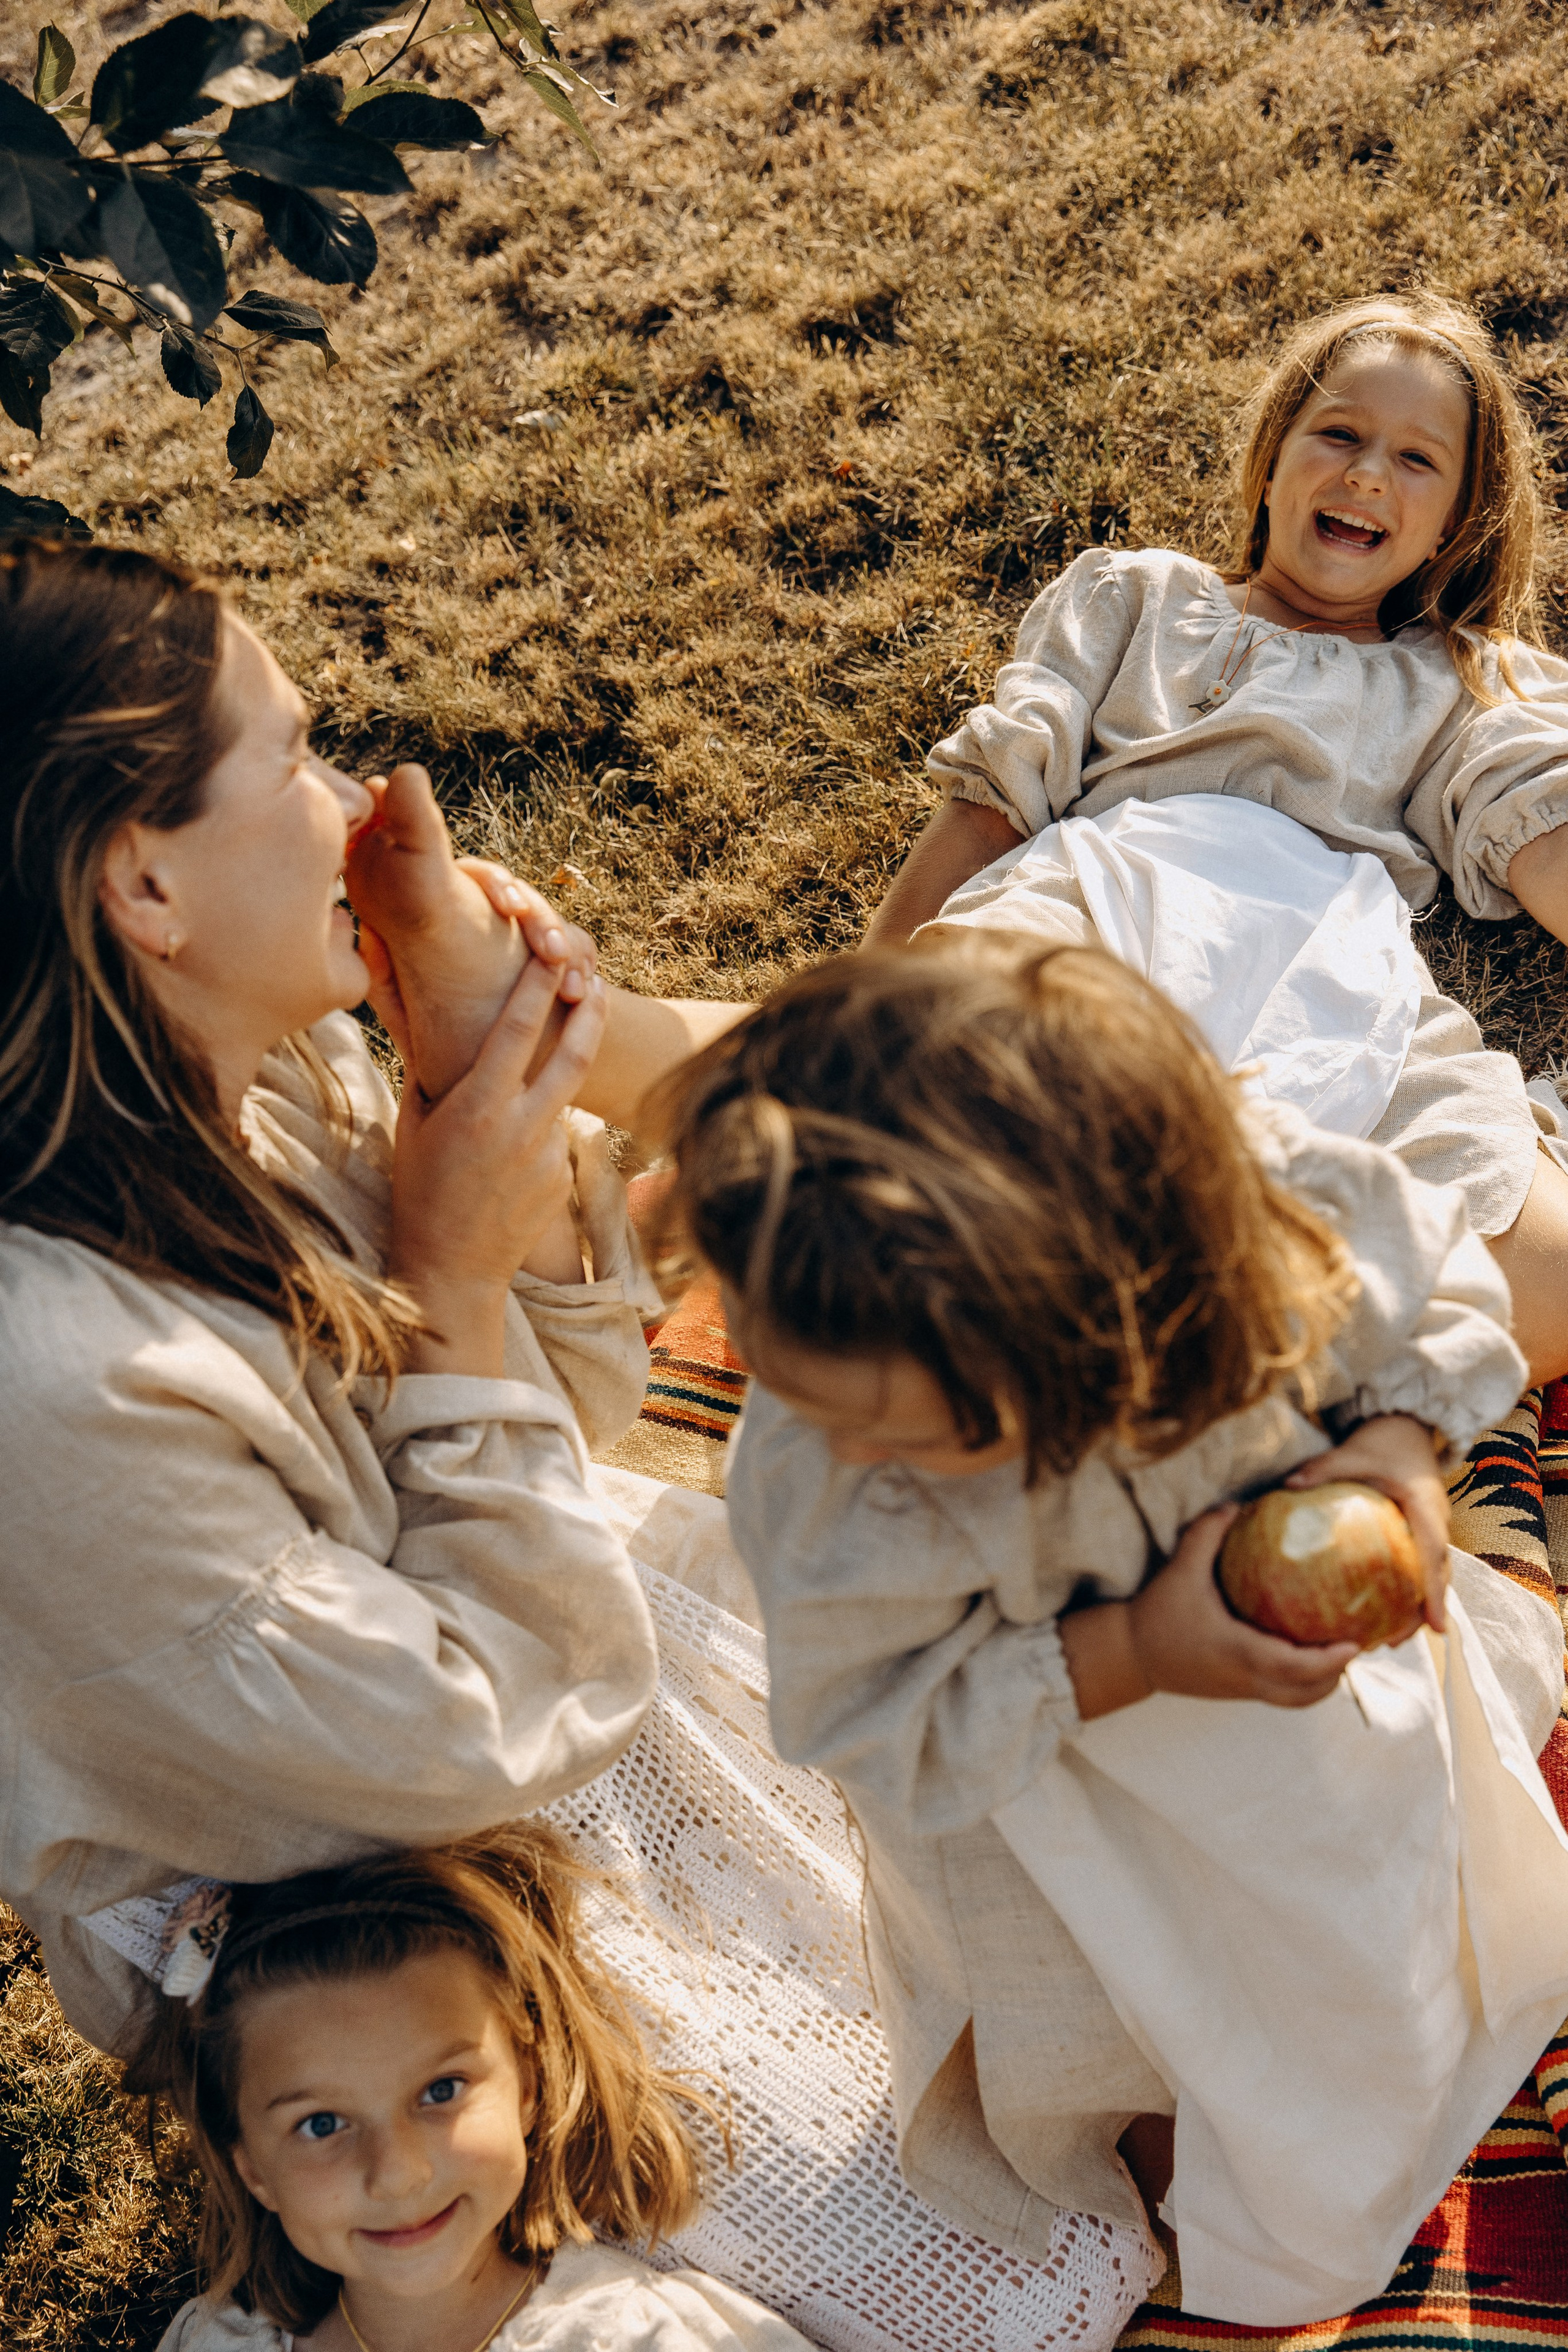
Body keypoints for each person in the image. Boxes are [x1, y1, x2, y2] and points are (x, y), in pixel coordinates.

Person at [0, 540, 1157, 2352]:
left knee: (1079, 1886)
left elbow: (574, 1408)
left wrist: (483, 1099)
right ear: (142, 879)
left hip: (518, 1651)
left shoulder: (257, 1070)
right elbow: (465, 1726)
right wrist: (451, 1278)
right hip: (356, 1888)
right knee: (982, 2241)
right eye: (297, 757)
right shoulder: (51, 1384)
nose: (363, 803)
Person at [656, 932, 1568, 2328]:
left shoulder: (1244, 1218)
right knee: (1152, 2033)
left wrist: (1389, 1447)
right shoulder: (832, 1488)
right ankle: (1196, 2153)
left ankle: (1376, 2052)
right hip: (1067, 1807)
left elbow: (1431, 1277)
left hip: (1304, 1724)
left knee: (1354, 1925)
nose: (841, 1439)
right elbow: (873, 1719)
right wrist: (1138, 1646)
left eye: (919, 1426)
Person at [862, 294, 1568, 1382]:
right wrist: (858, 1011)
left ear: (1455, 523)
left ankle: (1187, 1362)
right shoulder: (1138, 600)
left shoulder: (1458, 683)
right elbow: (996, 800)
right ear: (1273, 458)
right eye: (1338, 434)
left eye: (1418, 461)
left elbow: (1537, 820)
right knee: (945, 1128)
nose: (1368, 474)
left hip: (1329, 974)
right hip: (1103, 910)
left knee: (1546, 1277)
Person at [135, 1824, 816, 2351]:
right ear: (251, 2169)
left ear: (527, 2085)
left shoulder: (640, 2338)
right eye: (322, 2124)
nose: (398, 2173)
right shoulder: (217, 2341)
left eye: (441, 2091)